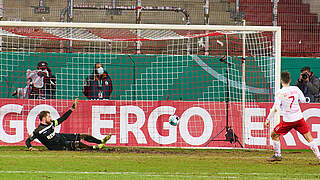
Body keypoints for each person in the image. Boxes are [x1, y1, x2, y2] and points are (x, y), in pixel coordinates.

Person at [264, 71, 320, 163]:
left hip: (287, 121)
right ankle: (319, 157)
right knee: (309, 137)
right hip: (299, 119)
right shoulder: (296, 89)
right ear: (290, 80)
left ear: (281, 81)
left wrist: (268, 119)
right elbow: (303, 100)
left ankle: (278, 155)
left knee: (274, 134)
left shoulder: (279, 93)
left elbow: (275, 107)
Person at [25, 98, 112, 151]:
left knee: (83, 136)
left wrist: (72, 108)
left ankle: (101, 141)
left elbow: (63, 118)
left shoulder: (51, 123)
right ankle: (94, 148)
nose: (51, 118)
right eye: (49, 117)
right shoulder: (38, 131)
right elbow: (27, 141)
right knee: (77, 144)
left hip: (61, 137)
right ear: (43, 118)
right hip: (58, 146)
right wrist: (30, 148)